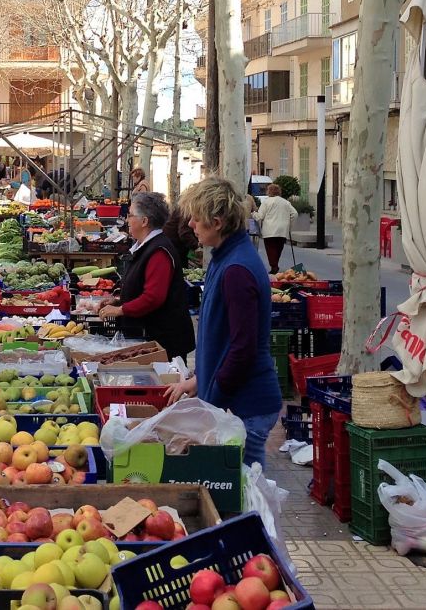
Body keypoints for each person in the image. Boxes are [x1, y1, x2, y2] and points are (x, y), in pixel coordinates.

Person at [165, 176, 282, 466]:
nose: (191, 224)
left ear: (216, 222)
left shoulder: (237, 270)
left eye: (196, 218)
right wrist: (199, 381)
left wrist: (212, 399)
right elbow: (224, 338)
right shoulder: (225, 258)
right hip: (239, 400)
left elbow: (243, 348)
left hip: (248, 404)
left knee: (248, 494)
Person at [99, 191, 195, 361]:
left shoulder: (159, 252)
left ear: (144, 221)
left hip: (164, 342)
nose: (127, 220)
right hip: (150, 336)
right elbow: (141, 286)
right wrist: (119, 300)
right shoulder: (146, 246)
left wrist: (120, 310)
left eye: (130, 215)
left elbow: (153, 297)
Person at [253, 184, 299, 275]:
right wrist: (289, 226)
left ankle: (274, 266)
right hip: (282, 230)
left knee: (270, 249)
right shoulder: (285, 202)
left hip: (269, 230)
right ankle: (274, 265)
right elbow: (295, 213)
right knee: (278, 249)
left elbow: (260, 216)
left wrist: (253, 213)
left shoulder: (266, 202)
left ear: (269, 191)